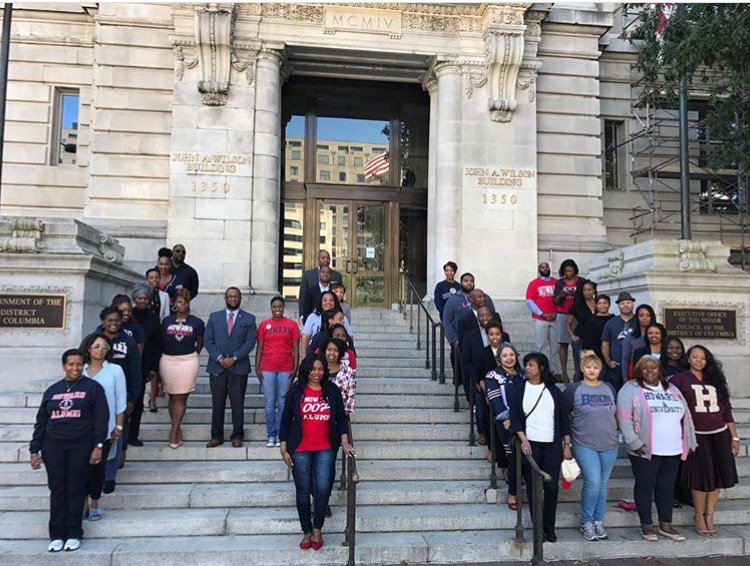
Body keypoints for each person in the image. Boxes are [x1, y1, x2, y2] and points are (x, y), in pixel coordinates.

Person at [30, 349, 109, 553]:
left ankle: (74, 533)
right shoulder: (53, 390)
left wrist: (98, 446)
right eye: (71, 364)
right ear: (64, 366)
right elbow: (42, 421)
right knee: (57, 490)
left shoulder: (93, 388)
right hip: (53, 446)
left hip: (81, 446)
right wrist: (34, 449)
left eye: (79, 364)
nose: (75, 368)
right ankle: (56, 535)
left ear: (84, 365)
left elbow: (101, 419)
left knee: (76, 489)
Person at [616, 355, 696, 542]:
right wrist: (634, 442)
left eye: (653, 367)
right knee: (645, 486)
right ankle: (646, 524)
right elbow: (624, 418)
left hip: (673, 448)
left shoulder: (672, 388)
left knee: (666, 487)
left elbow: (687, 415)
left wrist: (690, 440)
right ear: (638, 370)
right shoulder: (630, 389)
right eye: (645, 367)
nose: (649, 371)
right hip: (644, 449)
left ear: (660, 370)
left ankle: (665, 524)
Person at [279, 355, 353, 551]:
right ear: (306, 370)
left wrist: (345, 442)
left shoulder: (332, 390)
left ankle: (318, 528)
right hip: (300, 449)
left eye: (320, 369)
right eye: (313, 369)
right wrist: (283, 447)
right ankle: (307, 531)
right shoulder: (296, 391)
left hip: (325, 449)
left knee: (322, 489)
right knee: (303, 492)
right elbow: (285, 419)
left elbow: (341, 418)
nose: (317, 373)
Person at [671, 345, 739, 537]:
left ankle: (710, 516)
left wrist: (734, 437)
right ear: (688, 359)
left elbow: (726, 411)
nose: (699, 361)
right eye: (695, 357)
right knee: (700, 477)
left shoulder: (715, 379)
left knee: (717, 477)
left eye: (702, 358)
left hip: (719, 433)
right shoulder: (680, 379)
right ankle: (699, 516)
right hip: (696, 434)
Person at [509, 352, 570, 543]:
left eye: (531, 365)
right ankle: (538, 528)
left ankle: (549, 527)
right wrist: (523, 439)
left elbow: (563, 419)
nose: (527, 368)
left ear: (541, 368)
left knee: (551, 488)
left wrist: (567, 444)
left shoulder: (554, 391)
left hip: (552, 445)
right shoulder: (519, 389)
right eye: (526, 365)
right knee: (533, 489)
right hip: (531, 445)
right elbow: (514, 417)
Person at [562, 350, 618, 541]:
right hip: (584, 443)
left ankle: (598, 521)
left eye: (595, 367)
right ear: (581, 368)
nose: (592, 370)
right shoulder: (574, 389)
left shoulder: (609, 388)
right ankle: (586, 522)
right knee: (593, 482)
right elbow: (564, 416)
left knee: (602, 485)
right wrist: (566, 443)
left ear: (600, 369)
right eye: (588, 367)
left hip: (609, 443)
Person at [80, 333, 126, 522]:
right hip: (80, 429)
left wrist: (119, 426)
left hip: (105, 428)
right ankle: (82, 505)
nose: (100, 350)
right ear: (88, 348)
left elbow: (120, 400)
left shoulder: (115, 370)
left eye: (105, 347)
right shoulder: (79, 369)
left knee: (98, 469)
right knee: (81, 469)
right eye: (97, 346)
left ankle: (95, 504)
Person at [204, 287, 256, 448]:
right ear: (225, 298)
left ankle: (237, 435)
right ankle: (216, 436)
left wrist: (234, 358)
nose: (233, 299)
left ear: (240, 298)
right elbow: (208, 340)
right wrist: (220, 358)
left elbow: (250, 342)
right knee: (217, 403)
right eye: (230, 296)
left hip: (238, 367)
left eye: (236, 296)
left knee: (237, 403)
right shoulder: (214, 317)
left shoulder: (249, 318)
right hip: (217, 366)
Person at [97, 306, 140, 483]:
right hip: (97, 395)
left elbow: (135, 371)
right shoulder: (94, 340)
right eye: (110, 320)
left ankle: (110, 474)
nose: (113, 323)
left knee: (118, 431)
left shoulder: (129, 342)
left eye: (117, 320)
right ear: (103, 321)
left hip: (121, 394)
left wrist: (132, 398)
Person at [160, 289, 204, 448]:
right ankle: (177, 429)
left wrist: (191, 355)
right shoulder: (166, 321)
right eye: (179, 302)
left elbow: (200, 342)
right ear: (175, 304)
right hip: (168, 360)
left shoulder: (196, 322)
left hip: (187, 360)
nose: (182, 305)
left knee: (180, 397)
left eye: (185, 302)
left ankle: (173, 432)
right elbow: (161, 341)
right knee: (172, 396)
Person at [256, 296, 300, 447]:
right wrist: (257, 366)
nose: (277, 309)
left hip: (286, 368)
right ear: (271, 308)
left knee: (282, 402)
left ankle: (281, 435)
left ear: (284, 307)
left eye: (280, 307)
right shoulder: (264, 325)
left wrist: (296, 367)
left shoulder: (292, 325)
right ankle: (271, 435)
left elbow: (296, 348)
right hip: (267, 367)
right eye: (274, 307)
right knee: (269, 402)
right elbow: (260, 346)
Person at [485, 341, 524, 509]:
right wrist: (511, 420)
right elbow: (495, 402)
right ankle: (513, 493)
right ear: (499, 359)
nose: (509, 358)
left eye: (512, 355)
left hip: (526, 423)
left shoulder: (523, 375)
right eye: (505, 355)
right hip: (506, 423)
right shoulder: (493, 376)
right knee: (514, 456)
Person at [552, 259, 585, 383]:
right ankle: (564, 373)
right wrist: (561, 295)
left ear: (575, 270)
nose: (568, 273)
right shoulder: (560, 283)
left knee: (577, 344)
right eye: (566, 271)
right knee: (563, 343)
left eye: (570, 271)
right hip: (563, 313)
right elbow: (554, 301)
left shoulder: (581, 281)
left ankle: (578, 373)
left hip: (577, 314)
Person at [132, 286, 163, 416]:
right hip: (129, 361)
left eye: (145, 298)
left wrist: (154, 366)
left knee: (139, 400)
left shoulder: (154, 318)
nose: (142, 301)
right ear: (134, 299)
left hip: (146, 362)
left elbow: (158, 343)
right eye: (140, 298)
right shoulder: (129, 316)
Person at [443, 273, 496, 347]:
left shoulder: (484, 298)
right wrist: (454, 340)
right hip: (462, 341)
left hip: (483, 340)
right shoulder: (452, 300)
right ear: (461, 283)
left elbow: (493, 316)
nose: (469, 283)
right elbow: (446, 321)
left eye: (471, 281)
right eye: (466, 281)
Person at [525, 262, 560, 376]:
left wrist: (556, 313)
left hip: (555, 319)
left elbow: (561, 300)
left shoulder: (557, 283)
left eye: (546, 267)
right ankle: (542, 372)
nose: (545, 269)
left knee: (555, 347)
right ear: (539, 269)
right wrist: (542, 313)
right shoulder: (534, 284)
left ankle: (555, 372)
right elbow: (529, 301)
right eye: (542, 267)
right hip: (540, 319)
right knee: (541, 346)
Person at [601, 291, 637, 391]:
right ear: (618, 306)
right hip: (616, 367)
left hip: (635, 366)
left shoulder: (638, 321)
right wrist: (608, 361)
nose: (625, 305)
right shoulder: (611, 323)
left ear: (633, 304)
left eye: (628, 303)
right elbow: (605, 344)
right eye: (622, 303)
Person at [300, 291, 353, 357]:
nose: (328, 302)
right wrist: (304, 358)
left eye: (331, 300)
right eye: (325, 300)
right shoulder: (313, 317)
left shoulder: (342, 317)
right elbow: (305, 337)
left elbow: (349, 337)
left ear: (335, 302)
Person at [298, 249, 342, 323]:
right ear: (318, 259)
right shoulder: (308, 275)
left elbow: (340, 296)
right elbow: (303, 296)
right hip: (312, 316)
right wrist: (302, 315)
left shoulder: (337, 275)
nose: (326, 260)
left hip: (332, 317)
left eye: (328, 258)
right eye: (323, 258)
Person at [566, 280, 597, 381]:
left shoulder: (599, 303)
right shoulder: (577, 305)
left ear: (594, 291)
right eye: (584, 290)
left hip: (596, 339)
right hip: (580, 340)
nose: (587, 292)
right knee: (581, 366)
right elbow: (567, 325)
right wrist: (572, 336)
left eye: (589, 290)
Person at [621, 304, 657, 380]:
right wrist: (625, 378)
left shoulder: (657, 336)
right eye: (641, 316)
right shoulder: (630, 337)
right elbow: (625, 360)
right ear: (637, 318)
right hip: (636, 373)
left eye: (648, 316)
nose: (644, 318)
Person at [574, 294, 613, 363]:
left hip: (612, 355)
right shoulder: (590, 320)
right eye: (599, 303)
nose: (602, 305)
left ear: (609, 304)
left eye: (605, 303)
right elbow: (587, 341)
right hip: (595, 355)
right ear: (596, 305)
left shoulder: (614, 319)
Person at [322, 338, 356, 415]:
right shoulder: (318, 370)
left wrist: (343, 415)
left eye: (335, 350)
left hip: (341, 413)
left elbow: (351, 395)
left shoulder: (348, 371)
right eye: (329, 350)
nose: (332, 353)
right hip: (320, 414)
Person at [157, 248, 184, 312]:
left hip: (171, 311)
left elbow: (180, 296)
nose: (163, 266)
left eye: (166, 264)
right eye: (161, 264)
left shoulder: (177, 280)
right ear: (158, 265)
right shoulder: (153, 278)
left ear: (170, 265)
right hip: (156, 310)